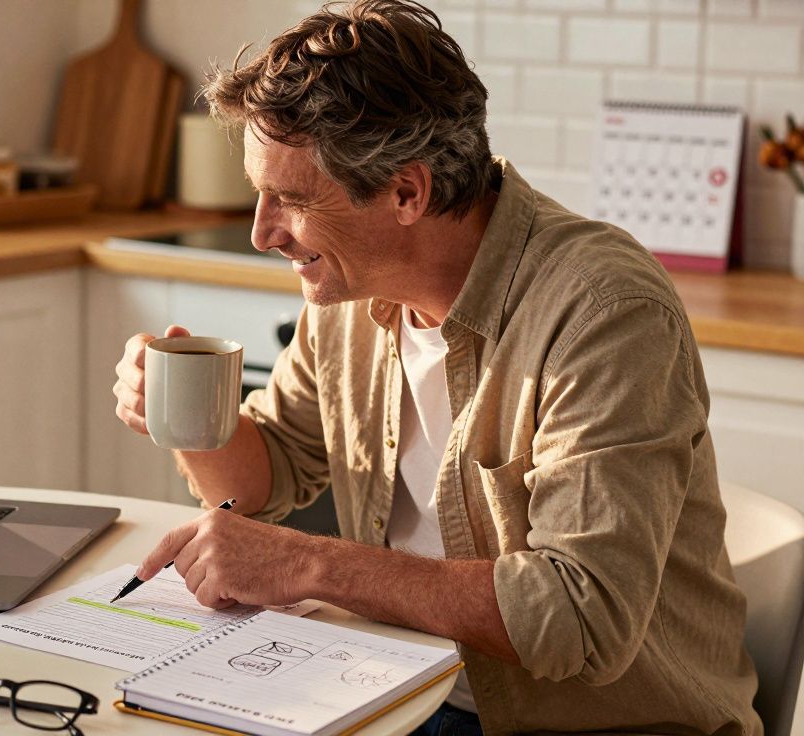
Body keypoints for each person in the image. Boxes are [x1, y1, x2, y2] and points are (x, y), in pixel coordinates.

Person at [110, 1, 761, 734]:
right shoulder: (350, 291)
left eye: (291, 199)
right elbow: (268, 473)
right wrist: (186, 415)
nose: (263, 233)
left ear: (407, 192)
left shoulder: (603, 311)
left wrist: (310, 565)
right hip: (397, 694)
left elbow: (581, 616)